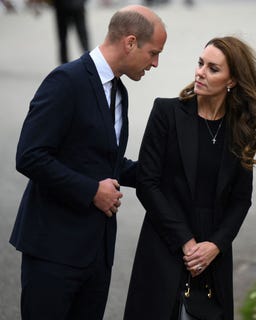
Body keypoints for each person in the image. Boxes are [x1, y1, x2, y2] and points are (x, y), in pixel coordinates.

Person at [9, 5, 167, 319]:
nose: (156, 63)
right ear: (130, 42)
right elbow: (29, 155)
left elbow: (102, 162)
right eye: (153, 52)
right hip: (53, 252)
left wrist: (165, 172)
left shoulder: (119, 91)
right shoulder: (66, 81)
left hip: (96, 255)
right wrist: (90, 190)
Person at [123, 36, 256, 319]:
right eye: (200, 63)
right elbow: (147, 183)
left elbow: (241, 200)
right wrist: (186, 241)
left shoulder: (241, 131)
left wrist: (216, 245)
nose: (200, 72)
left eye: (213, 68)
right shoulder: (166, 113)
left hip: (212, 252)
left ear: (232, 81)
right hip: (164, 239)